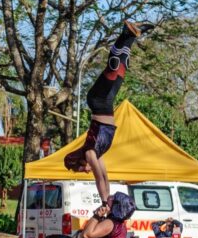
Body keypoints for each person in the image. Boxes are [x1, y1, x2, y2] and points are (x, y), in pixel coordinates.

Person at [64, 21, 150, 205]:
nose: (86, 170)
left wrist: (104, 202)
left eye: (82, 169)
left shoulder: (89, 153)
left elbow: (99, 178)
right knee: (121, 68)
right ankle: (132, 35)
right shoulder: (97, 153)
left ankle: (125, 33)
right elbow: (105, 176)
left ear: (80, 161)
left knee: (112, 67)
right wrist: (109, 200)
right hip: (106, 104)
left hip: (98, 101)